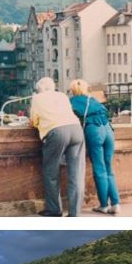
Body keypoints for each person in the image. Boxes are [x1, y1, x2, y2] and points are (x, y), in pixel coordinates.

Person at [29, 77, 85, 216]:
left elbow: (34, 121)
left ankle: (55, 210)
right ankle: (75, 214)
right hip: (76, 129)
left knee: (51, 172)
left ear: (39, 89)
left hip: (57, 132)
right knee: (77, 174)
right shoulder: (62, 96)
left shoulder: (37, 98)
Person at [69, 79, 120, 215]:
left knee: (99, 169)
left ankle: (104, 205)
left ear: (73, 90)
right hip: (108, 130)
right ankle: (115, 204)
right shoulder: (93, 99)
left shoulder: (72, 101)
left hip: (94, 130)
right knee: (109, 169)